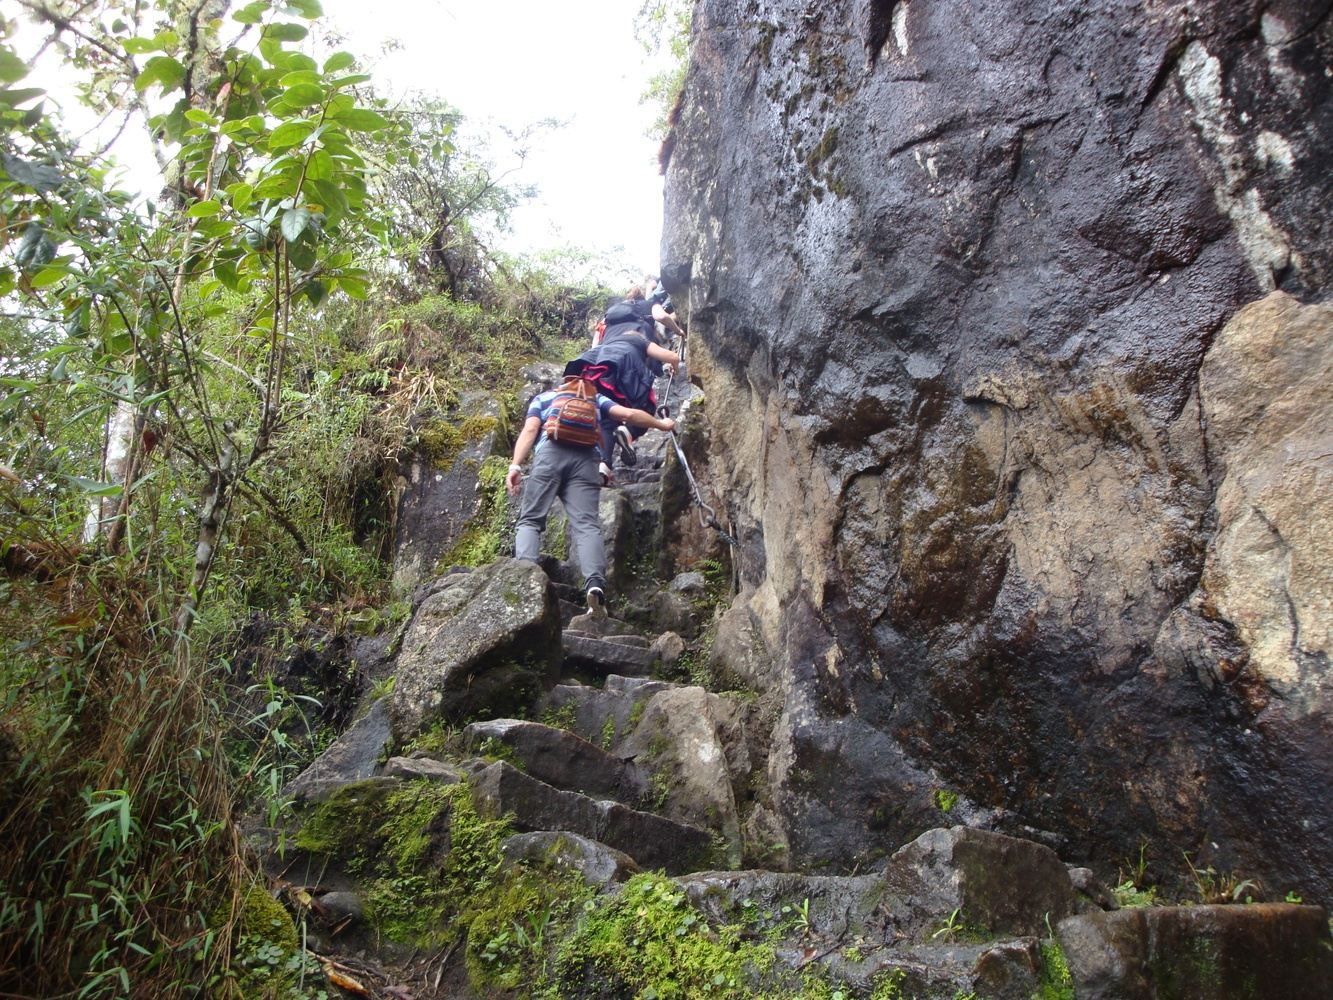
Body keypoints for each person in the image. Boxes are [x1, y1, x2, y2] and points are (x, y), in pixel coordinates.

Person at [507, 377, 676, 609]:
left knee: (531, 520)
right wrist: (662, 424)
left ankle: (525, 581)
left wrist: (516, 465)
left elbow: (531, 429)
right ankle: (595, 585)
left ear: (562, 384)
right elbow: (627, 414)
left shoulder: (545, 398)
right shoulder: (596, 399)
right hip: (587, 460)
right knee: (587, 524)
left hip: (550, 454)